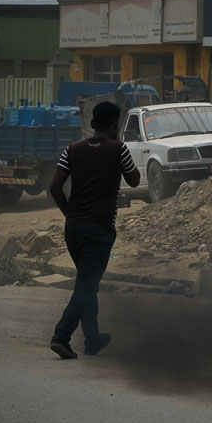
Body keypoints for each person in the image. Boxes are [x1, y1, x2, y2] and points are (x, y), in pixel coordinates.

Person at [49, 101, 140, 359]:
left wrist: (69, 213)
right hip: (98, 231)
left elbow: (55, 186)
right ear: (115, 125)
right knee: (86, 286)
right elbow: (135, 181)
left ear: (91, 124)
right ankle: (61, 336)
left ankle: (92, 340)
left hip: (73, 229)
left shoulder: (72, 149)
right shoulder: (118, 149)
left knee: (87, 284)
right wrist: (118, 142)